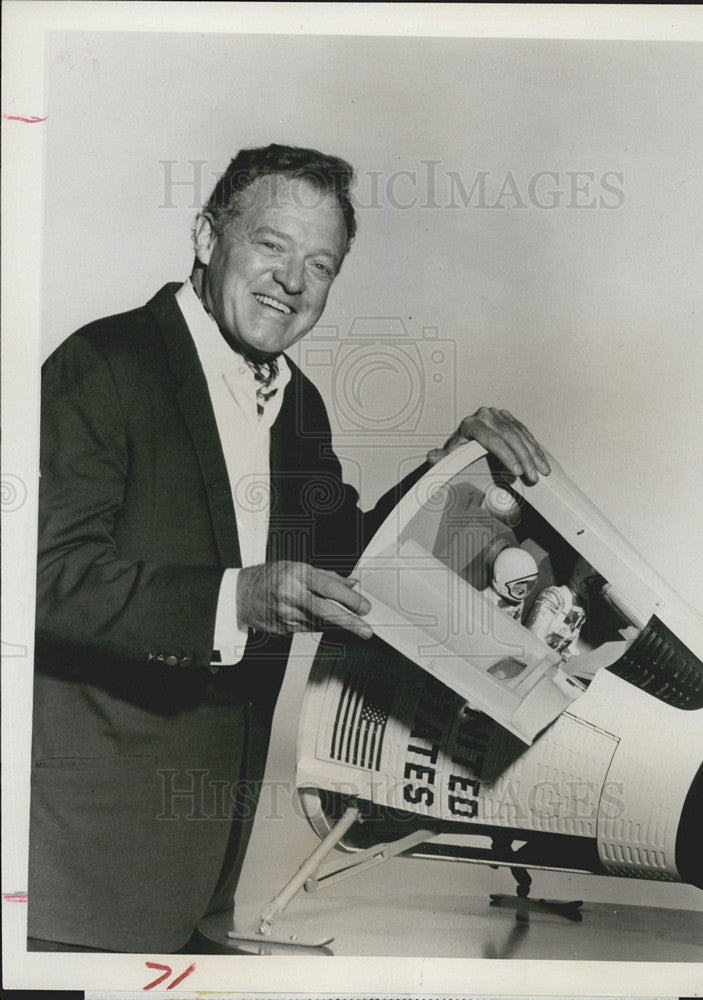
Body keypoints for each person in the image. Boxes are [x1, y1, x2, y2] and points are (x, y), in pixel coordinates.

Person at [28, 144, 550, 954]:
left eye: (320, 264)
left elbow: (342, 559)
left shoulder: (295, 399)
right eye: (271, 245)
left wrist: (451, 472)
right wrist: (236, 597)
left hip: (208, 866)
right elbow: (40, 581)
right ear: (206, 236)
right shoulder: (103, 365)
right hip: (83, 867)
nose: (292, 282)